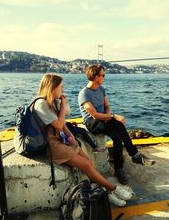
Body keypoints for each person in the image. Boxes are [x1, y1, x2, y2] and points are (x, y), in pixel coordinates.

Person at [33, 73, 133, 207]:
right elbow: (58, 124)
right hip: (52, 145)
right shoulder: (41, 104)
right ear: (53, 87)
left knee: (88, 162)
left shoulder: (52, 102)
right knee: (85, 165)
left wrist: (71, 137)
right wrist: (62, 105)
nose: (63, 90)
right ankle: (113, 188)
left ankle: (106, 192)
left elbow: (63, 123)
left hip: (61, 139)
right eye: (61, 87)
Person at [78, 64, 156, 185]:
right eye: (103, 75)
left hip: (104, 120)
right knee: (119, 125)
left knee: (117, 137)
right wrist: (113, 116)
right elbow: (94, 115)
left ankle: (119, 169)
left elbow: (107, 106)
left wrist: (108, 116)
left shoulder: (101, 89)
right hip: (92, 123)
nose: (104, 77)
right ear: (96, 76)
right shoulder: (84, 93)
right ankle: (134, 155)